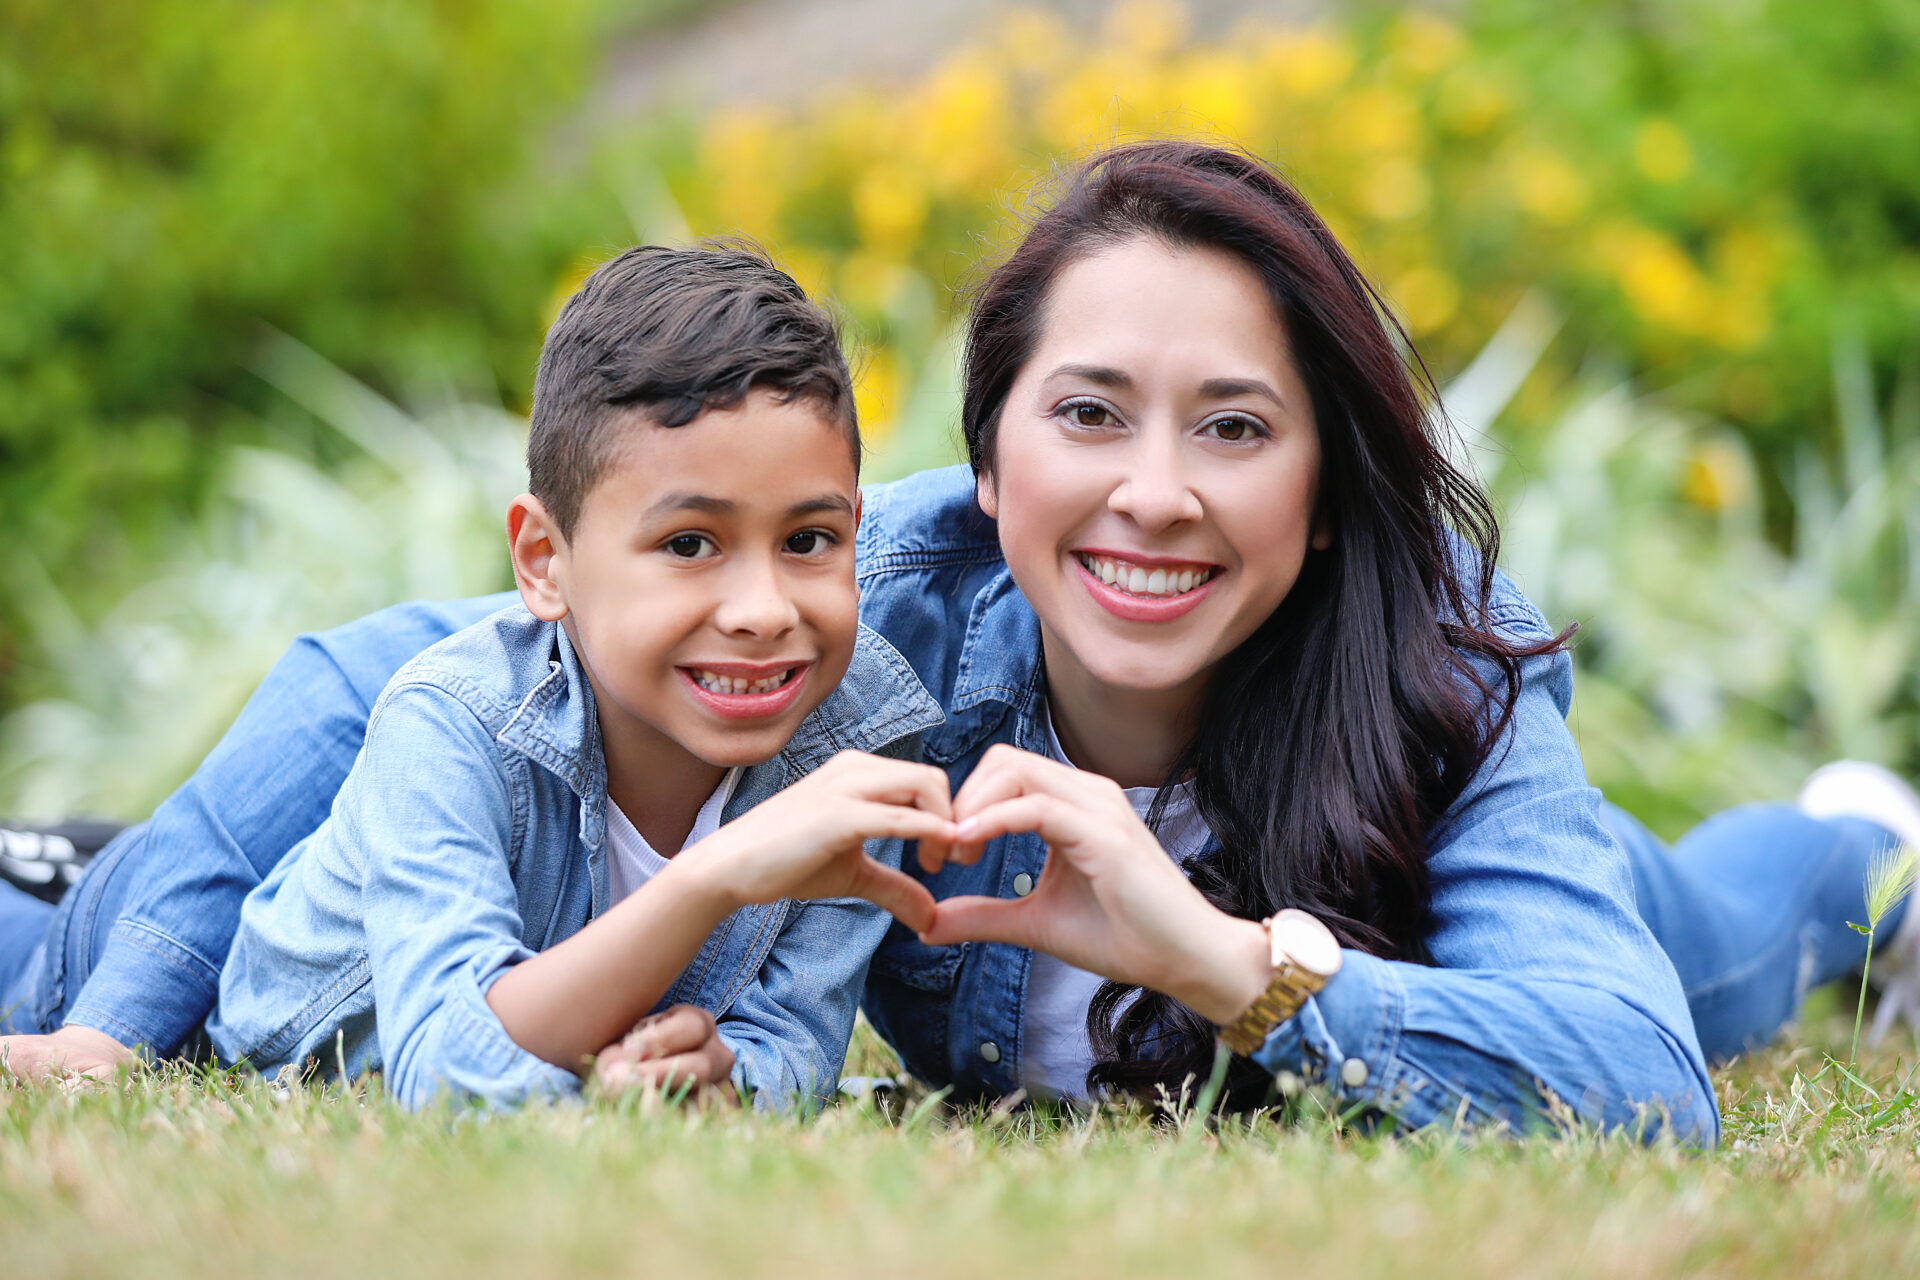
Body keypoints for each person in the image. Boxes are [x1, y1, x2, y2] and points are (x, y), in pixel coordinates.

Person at [6, 143, 1917, 1142]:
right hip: (356, 940)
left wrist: (1237, 968)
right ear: (983, 467)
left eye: (1236, 428)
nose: (1151, 494)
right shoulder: (853, 618)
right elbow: (379, 690)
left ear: (1325, 485)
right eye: (1087, 415)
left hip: (1417, 922)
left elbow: (1635, 1089)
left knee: (1734, 945)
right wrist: (118, 1017)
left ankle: (1863, 846)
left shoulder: (1445, 674)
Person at [7, 244, 960, 1109]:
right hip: (140, 955)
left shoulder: (860, 729)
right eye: (689, 542)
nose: (764, 608)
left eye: (808, 540)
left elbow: (794, 1043)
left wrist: (714, 1077)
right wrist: (710, 881)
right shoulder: (453, 719)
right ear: (545, 560)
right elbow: (447, 1070)